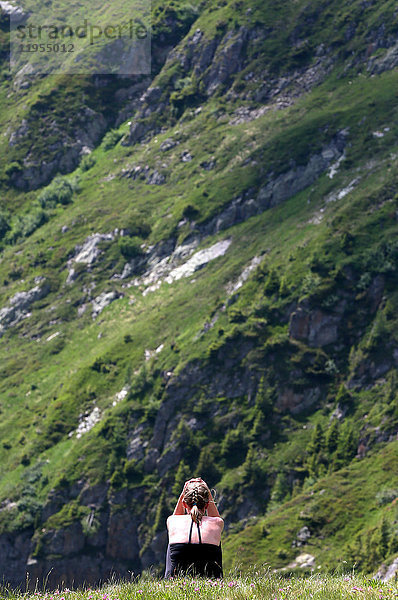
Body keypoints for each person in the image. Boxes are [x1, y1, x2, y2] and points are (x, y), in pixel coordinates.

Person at [164, 477, 224, 578]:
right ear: (207, 504)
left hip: (175, 587)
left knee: (172, 543)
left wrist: (184, 492)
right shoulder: (217, 522)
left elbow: (176, 517)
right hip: (211, 586)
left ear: (184, 504)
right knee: (215, 540)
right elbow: (215, 517)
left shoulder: (172, 521)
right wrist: (207, 491)